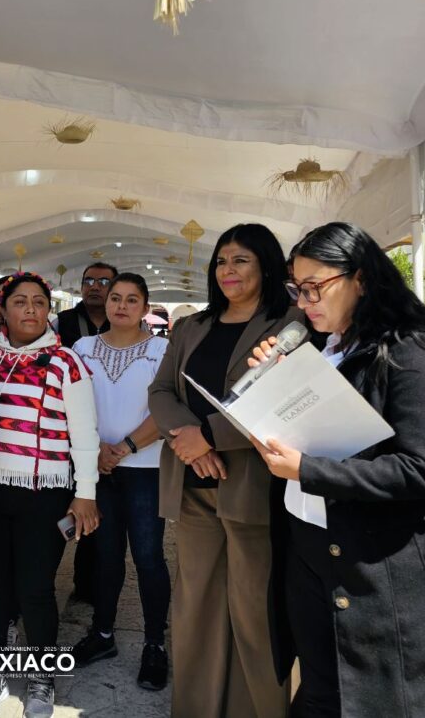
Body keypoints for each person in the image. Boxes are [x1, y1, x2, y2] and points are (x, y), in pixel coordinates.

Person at [247, 222, 425, 717]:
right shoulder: (329, 349)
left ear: (360, 278)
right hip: (310, 544)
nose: (304, 303)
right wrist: (272, 391)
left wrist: (308, 470)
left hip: (379, 562)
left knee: (378, 698)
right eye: (297, 290)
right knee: (322, 690)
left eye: (314, 287)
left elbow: (422, 471)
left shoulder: (416, 352)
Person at [148, 223, 298, 718]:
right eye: (221, 261)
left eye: (241, 260)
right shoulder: (193, 326)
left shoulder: (291, 323)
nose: (227, 270)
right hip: (193, 485)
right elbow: (160, 392)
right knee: (196, 606)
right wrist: (190, 442)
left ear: (266, 267)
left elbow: (281, 398)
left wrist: (209, 435)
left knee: (255, 611)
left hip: (254, 487)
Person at [0, 272, 99, 718]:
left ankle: (42, 677)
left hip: (45, 492)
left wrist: (85, 494)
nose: (30, 309)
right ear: (2, 309)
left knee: (35, 588)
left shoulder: (65, 362)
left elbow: (85, 434)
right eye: (20, 301)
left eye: (39, 301)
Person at [71, 273, 171, 691]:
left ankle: (155, 644)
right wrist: (96, 450)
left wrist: (125, 447)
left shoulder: (162, 351)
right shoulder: (83, 349)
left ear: (145, 307)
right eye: (116, 297)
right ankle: (103, 633)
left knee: (148, 557)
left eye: (132, 299)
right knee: (105, 555)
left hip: (146, 469)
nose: (122, 306)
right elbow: (73, 404)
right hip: (98, 468)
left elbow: (168, 409)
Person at [53, 262, 117, 603]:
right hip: (64, 434)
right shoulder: (61, 323)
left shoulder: (123, 321)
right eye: (89, 280)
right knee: (58, 514)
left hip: (110, 436)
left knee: (97, 515)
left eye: (104, 281)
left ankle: (89, 586)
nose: (95, 286)